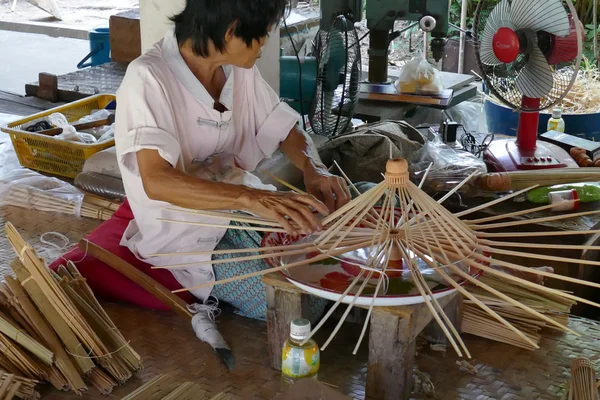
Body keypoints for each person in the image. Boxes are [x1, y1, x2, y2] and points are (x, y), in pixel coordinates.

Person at [114, 0, 352, 322]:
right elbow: (156, 180)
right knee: (294, 306)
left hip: (242, 207)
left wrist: (314, 168)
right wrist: (250, 198)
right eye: (264, 34)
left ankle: (349, 282)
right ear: (231, 31)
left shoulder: (239, 71)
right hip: (184, 232)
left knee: (350, 212)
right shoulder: (148, 77)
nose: (266, 43)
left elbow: (284, 129)